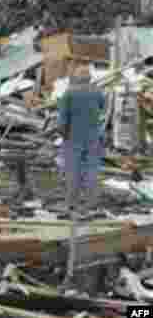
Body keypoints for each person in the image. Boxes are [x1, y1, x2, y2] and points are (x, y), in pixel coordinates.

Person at [57, 65, 106, 212]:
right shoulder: (97, 91)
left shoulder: (69, 93)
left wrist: (63, 135)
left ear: (76, 77)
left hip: (73, 137)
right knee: (92, 169)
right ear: (89, 77)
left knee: (73, 170)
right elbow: (103, 107)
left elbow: (62, 119)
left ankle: (72, 203)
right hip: (93, 136)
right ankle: (92, 202)